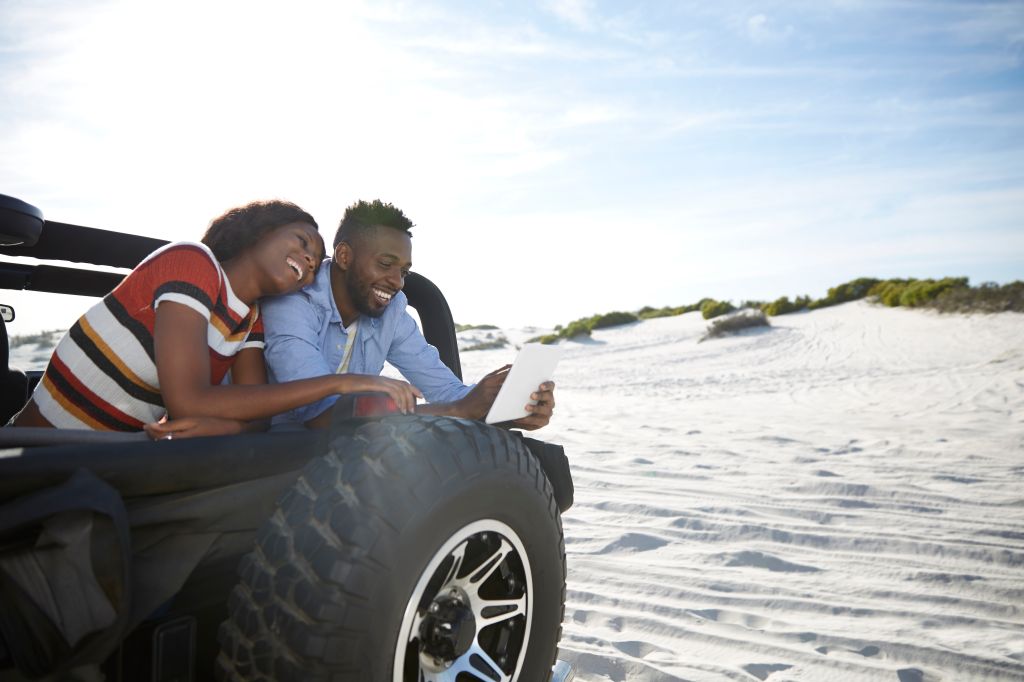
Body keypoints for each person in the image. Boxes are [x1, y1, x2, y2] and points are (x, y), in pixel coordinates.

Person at [9, 200, 420, 439]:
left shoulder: (249, 320)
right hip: (32, 453)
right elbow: (189, 400)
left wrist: (224, 428)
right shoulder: (191, 262)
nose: (311, 259)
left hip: (106, 460)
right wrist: (341, 382)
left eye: (315, 262)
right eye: (301, 241)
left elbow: (257, 418)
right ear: (259, 231)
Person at [262, 199, 555, 430]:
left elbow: (446, 391)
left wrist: (504, 407)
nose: (397, 281)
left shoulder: (392, 312)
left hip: (348, 456)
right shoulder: (293, 301)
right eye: (385, 264)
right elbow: (318, 415)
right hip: (274, 461)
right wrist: (458, 411)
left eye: (403, 271)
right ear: (344, 257)